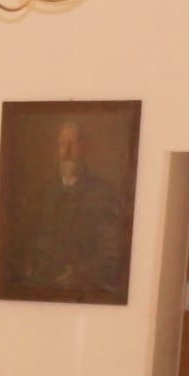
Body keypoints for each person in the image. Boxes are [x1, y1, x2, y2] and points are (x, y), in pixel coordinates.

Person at [20, 119, 125, 298]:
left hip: (85, 292)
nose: (67, 152)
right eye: (62, 145)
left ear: (85, 148)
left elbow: (110, 254)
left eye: (73, 144)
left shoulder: (103, 194)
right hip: (41, 291)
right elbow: (29, 243)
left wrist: (80, 273)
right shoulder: (43, 193)